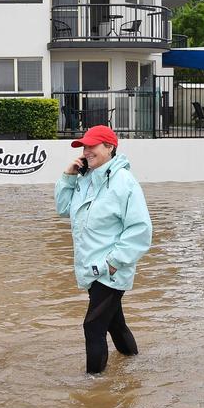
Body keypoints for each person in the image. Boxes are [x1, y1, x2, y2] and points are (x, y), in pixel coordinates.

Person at [55, 125, 152, 374]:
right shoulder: (85, 179)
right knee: (114, 324)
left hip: (110, 270)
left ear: (109, 147)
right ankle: (134, 365)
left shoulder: (125, 182)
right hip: (91, 267)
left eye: (92, 146)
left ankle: (95, 394)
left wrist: (112, 262)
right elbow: (64, 208)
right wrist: (68, 176)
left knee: (93, 326)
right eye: (84, 147)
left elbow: (140, 230)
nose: (86, 151)